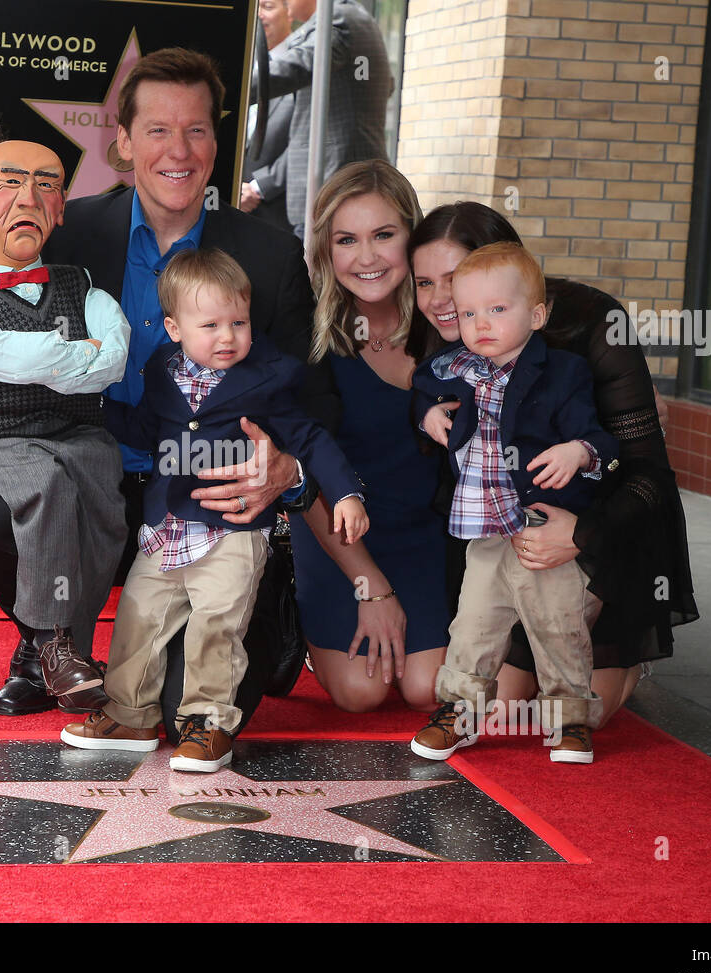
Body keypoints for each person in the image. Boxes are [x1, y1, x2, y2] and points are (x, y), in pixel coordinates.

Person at [0, 47, 322, 732]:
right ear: (124, 142)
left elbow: (315, 399)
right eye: (158, 130)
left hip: (207, 503)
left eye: (196, 130)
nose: (179, 150)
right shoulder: (69, 233)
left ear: (217, 144)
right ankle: (49, 638)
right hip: (94, 477)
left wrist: (288, 470)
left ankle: (234, 622)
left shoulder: (271, 256)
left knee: (176, 714)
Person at [62, 248, 367, 771]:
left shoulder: (266, 380)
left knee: (218, 626)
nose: (228, 337)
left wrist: (344, 492)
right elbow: (148, 431)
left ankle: (209, 722)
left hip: (233, 532)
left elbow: (309, 437)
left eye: (239, 323)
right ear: (174, 329)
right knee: (138, 618)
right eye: (212, 325)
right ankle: (129, 713)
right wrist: (93, 407)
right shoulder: (162, 370)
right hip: (167, 528)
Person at [409, 201, 699, 727]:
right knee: (503, 709)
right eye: (424, 283)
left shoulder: (593, 324)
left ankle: (617, 652)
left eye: (455, 279)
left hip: (602, 530)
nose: (444, 300)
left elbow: (648, 476)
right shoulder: (452, 348)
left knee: (556, 708)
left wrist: (583, 532)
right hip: (503, 540)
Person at [0, 139, 130, 714]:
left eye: (47, 184)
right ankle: (54, 644)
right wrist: (71, 353)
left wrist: (48, 359)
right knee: (45, 484)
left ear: (62, 206)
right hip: (1, 440)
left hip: (82, 436)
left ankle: (51, 652)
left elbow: (112, 362)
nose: (29, 196)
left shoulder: (84, 287)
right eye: (11, 181)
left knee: (98, 495)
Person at [410, 242, 619, 764]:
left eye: (497, 310)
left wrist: (579, 451)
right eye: (468, 313)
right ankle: (459, 711)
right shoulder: (451, 364)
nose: (480, 324)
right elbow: (422, 387)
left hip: (538, 528)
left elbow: (602, 437)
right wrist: (427, 414)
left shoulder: (562, 373)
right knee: (472, 624)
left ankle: (569, 719)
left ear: (537, 313)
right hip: (484, 531)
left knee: (557, 626)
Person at [288, 158, 449, 713]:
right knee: (360, 694)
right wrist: (370, 585)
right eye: (346, 240)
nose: (366, 257)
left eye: (384, 235)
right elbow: (300, 477)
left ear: (412, 236)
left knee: (429, 689)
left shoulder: (448, 323)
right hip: (337, 535)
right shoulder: (308, 335)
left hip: (426, 535)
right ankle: (309, 634)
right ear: (325, 251)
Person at [253, 0, 393, 238]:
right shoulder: (355, 18)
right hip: (337, 191)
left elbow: (298, 67)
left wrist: (229, 86)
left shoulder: (338, 19)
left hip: (332, 191)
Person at [239, 0, 294, 231]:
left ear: (290, 12)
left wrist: (259, 186)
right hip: (230, 207)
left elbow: (310, 141)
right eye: (255, 8)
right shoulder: (239, 62)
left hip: (279, 214)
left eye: (268, 7)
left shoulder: (308, 66)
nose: (259, 15)